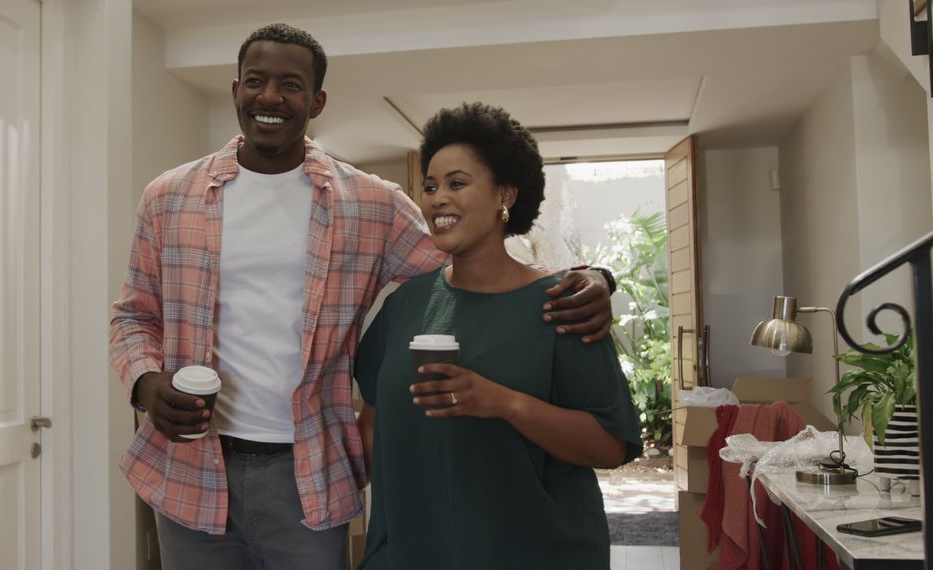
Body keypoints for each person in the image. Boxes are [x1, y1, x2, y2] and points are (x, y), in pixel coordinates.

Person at [109, 23, 615, 570]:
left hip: (307, 478)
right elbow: (134, 315)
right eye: (255, 81)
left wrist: (593, 276)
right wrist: (146, 381)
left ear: (317, 100)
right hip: (188, 468)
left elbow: (474, 257)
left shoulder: (370, 204)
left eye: (291, 85)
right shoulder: (168, 197)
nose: (270, 97)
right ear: (236, 91)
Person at [353, 102, 643, 569]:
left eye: (457, 183)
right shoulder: (404, 306)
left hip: (534, 554)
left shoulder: (562, 303)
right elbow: (372, 427)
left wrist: (503, 403)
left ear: (504, 195)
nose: (436, 198)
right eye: (430, 186)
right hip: (412, 554)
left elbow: (610, 446)